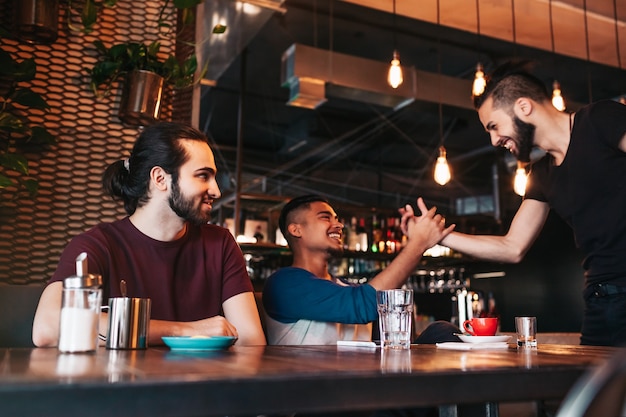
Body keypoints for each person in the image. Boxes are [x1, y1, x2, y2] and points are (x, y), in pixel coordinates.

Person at [403, 61, 626, 347]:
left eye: (494, 126)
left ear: (523, 107)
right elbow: (512, 247)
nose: (494, 140)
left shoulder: (599, 119)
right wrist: (438, 236)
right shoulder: (541, 174)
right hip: (600, 301)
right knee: (590, 390)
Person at [32, 122, 266, 347]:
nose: (216, 190)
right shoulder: (96, 245)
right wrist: (186, 330)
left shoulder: (220, 244)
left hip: (200, 385)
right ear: (160, 179)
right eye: (203, 176)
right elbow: (47, 329)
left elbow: (251, 340)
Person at [262, 194, 457, 345]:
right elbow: (365, 305)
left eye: (337, 219)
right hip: (316, 389)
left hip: (366, 381)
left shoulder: (347, 288)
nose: (338, 225)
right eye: (325, 218)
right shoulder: (284, 284)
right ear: (296, 230)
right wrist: (418, 243)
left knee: (442, 332)